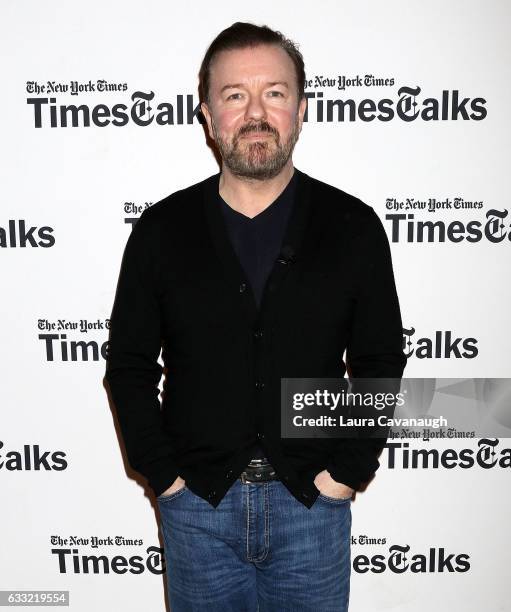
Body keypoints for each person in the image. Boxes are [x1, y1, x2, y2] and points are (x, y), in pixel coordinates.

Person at [105, 21, 407, 612]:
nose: (256, 112)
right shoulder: (162, 231)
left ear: (300, 108)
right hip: (197, 514)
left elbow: (378, 360)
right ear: (208, 115)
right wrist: (164, 478)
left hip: (312, 510)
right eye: (235, 95)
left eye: (275, 92)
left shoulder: (353, 227)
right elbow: (129, 364)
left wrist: (345, 475)